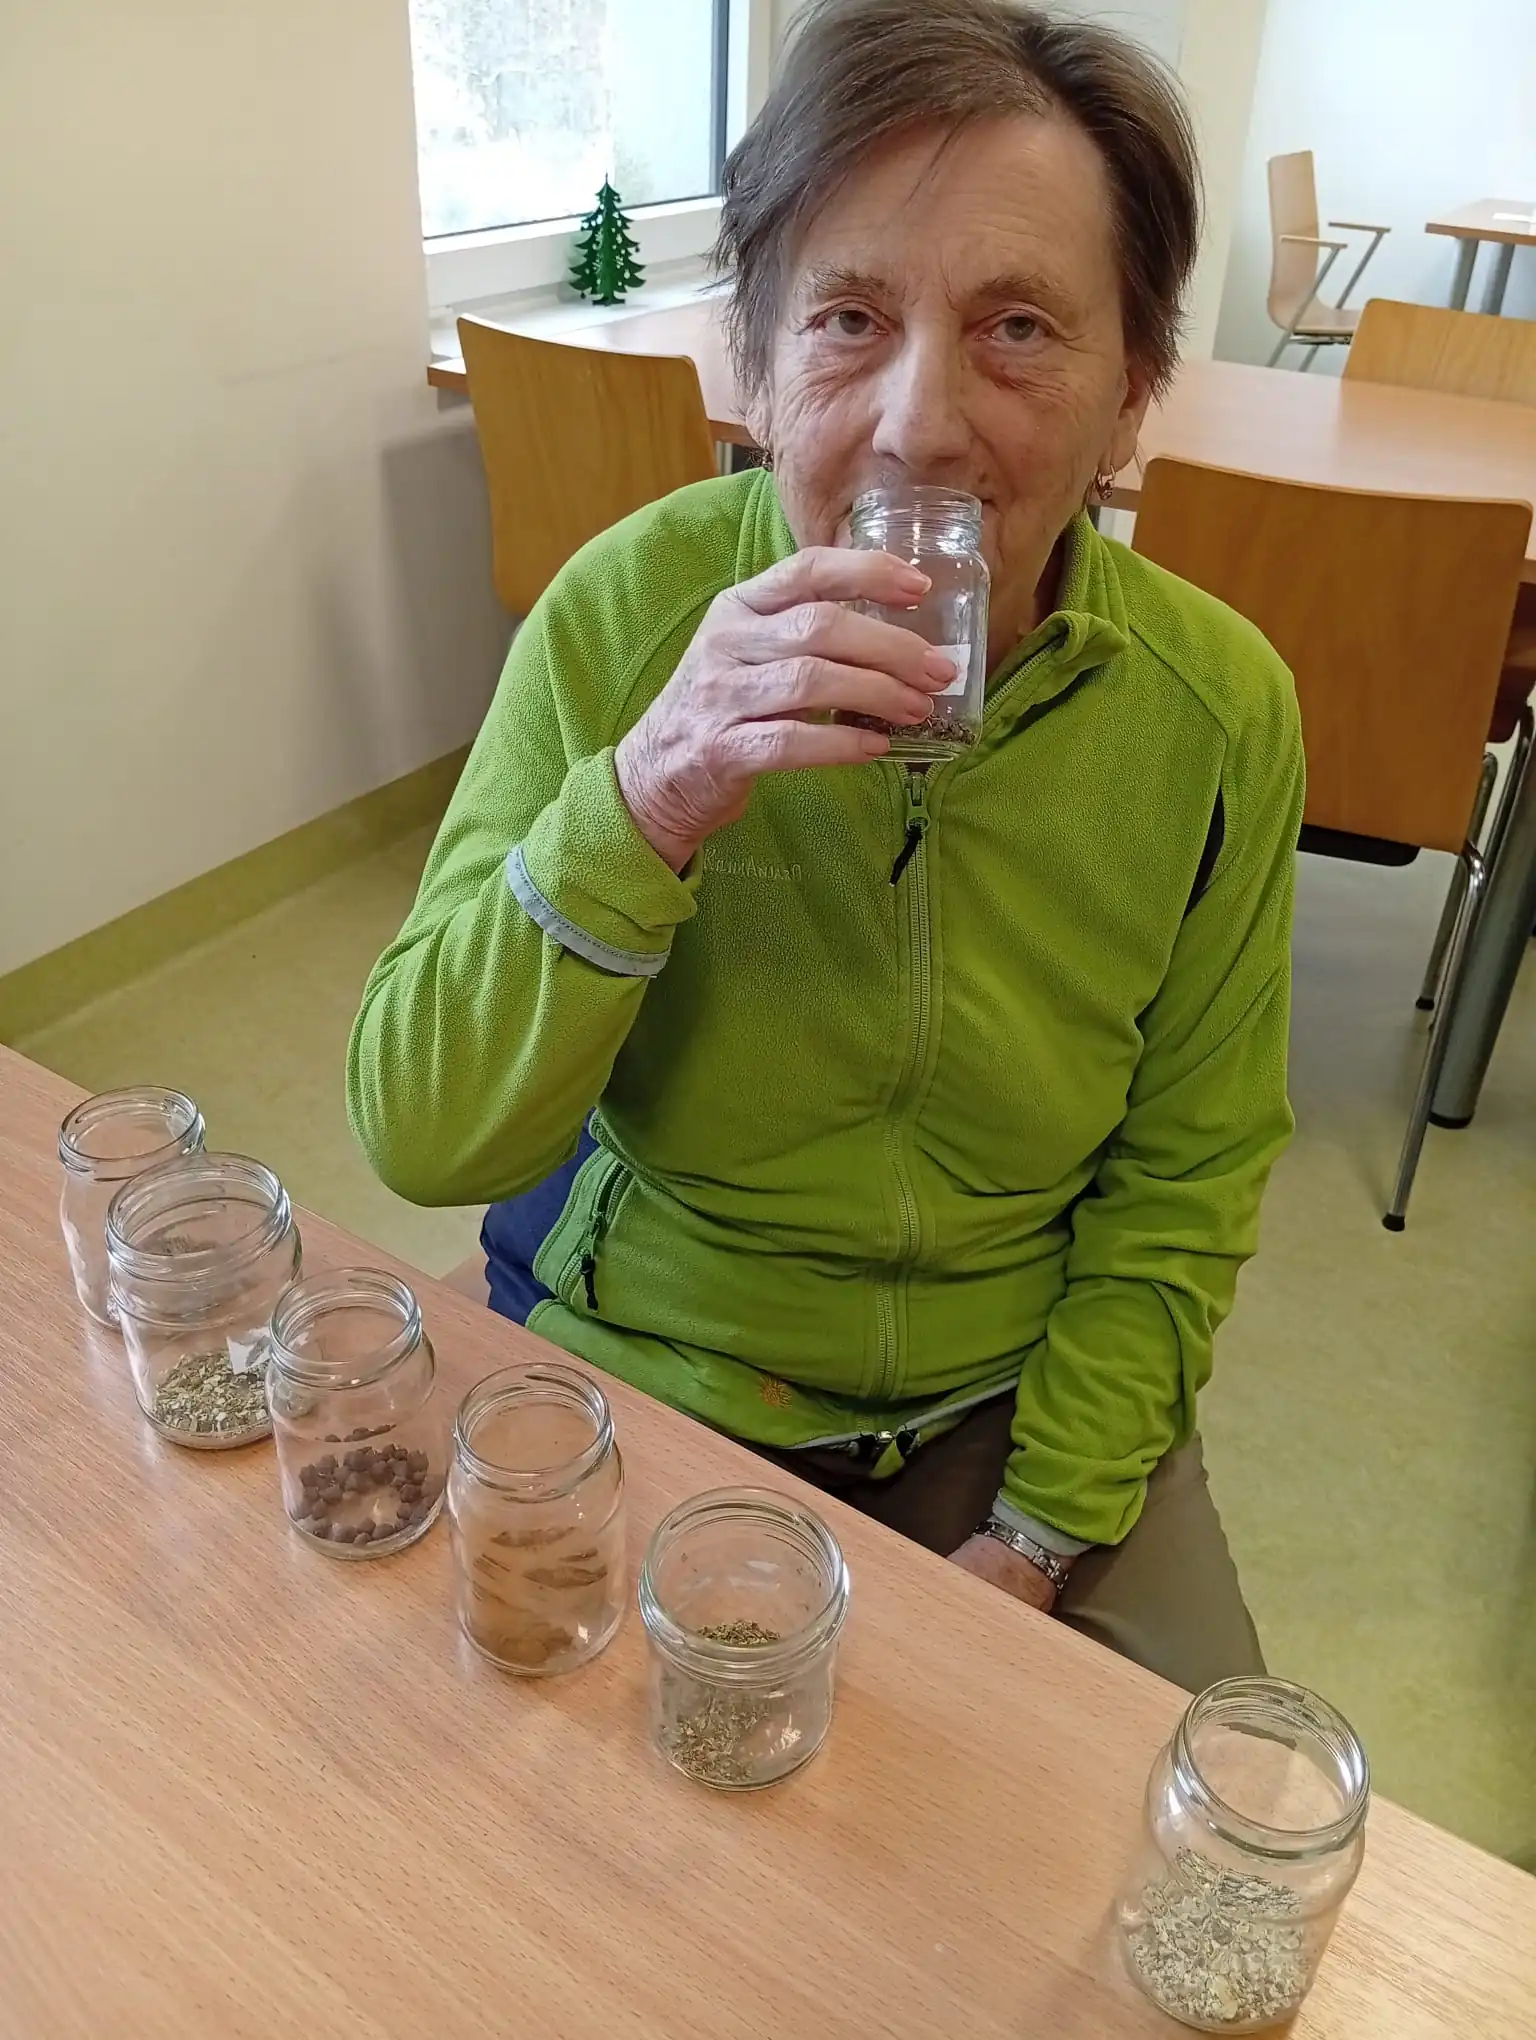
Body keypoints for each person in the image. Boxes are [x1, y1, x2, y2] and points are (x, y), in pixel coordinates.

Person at [349, 0, 1304, 1691]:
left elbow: (1187, 1175)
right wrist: (651, 794)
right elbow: (420, 1133)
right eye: (851, 319)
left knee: (1187, 1798)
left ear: (1133, 396)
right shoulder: (624, 616)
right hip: (657, 1348)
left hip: (1010, 1390)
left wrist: (1040, 1531)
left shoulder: (1219, 712)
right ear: (763, 361)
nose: (922, 426)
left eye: (1019, 327)